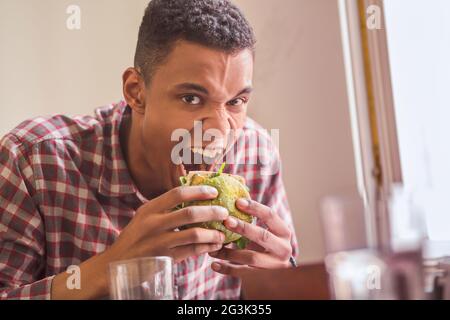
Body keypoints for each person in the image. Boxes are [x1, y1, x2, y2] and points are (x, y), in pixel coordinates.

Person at [0, 0, 298, 300]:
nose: (220, 130)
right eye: (192, 99)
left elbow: (271, 291)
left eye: (235, 102)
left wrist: (280, 279)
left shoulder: (254, 155)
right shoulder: (32, 162)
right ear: (136, 92)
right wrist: (109, 267)